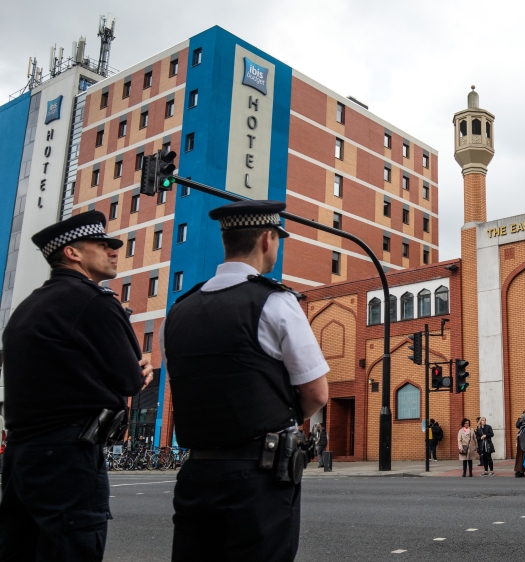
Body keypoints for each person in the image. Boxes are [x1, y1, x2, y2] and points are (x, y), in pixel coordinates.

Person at [163, 200, 329, 561]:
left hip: (196, 472)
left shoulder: (179, 311)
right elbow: (316, 392)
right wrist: (276, 409)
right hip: (258, 475)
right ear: (268, 240)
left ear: (226, 240)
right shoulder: (275, 303)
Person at [0, 210, 153, 560]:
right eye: (103, 245)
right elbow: (130, 378)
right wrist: (140, 366)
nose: (114, 251)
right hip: (69, 455)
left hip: (22, 456)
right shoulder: (92, 300)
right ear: (73, 252)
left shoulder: (27, 309)